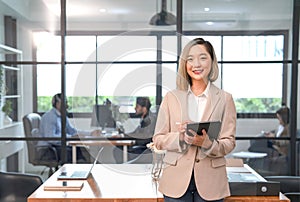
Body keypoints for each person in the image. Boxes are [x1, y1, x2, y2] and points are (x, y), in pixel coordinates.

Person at [152, 38, 236, 202]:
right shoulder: (171, 98)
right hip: (175, 181)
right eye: (190, 59)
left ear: (212, 61)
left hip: (211, 182)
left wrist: (207, 144)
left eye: (203, 58)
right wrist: (180, 137)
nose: (196, 64)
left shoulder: (225, 99)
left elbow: (229, 142)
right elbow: (158, 140)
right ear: (184, 64)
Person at [39, 93, 101, 163]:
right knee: (73, 153)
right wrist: (71, 137)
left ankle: (82, 169)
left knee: (80, 150)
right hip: (49, 150)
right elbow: (50, 137)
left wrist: (90, 133)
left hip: (58, 146)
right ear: (57, 103)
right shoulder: (50, 117)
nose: (67, 105)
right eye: (64, 102)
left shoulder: (62, 116)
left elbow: (72, 130)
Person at [113, 97, 157, 163]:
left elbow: (145, 137)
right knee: (118, 149)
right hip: (142, 146)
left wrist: (125, 136)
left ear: (144, 109)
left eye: (137, 106)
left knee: (117, 150)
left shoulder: (149, 120)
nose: (135, 108)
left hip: (145, 149)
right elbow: (136, 132)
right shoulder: (145, 118)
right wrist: (123, 135)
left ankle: (124, 168)